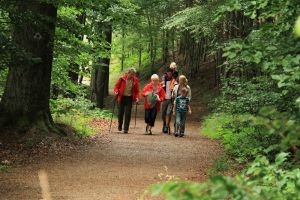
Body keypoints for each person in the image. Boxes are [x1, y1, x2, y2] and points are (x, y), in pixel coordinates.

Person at [114, 68, 139, 133]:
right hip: (122, 97)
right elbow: (116, 87)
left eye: (133, 74)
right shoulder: (122, 79)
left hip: (129, 98)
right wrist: (116, 92)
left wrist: (137, 98)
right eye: (131, 74)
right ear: (128, 73)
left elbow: (137, 91)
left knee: (128, 114)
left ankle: (125, 129)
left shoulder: (135, 80)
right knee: (120, 113)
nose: (133, 76)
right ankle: (120, 125)